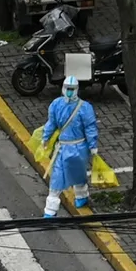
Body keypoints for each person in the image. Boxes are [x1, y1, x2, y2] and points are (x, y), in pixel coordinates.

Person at [41, 75, 99, 218]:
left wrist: (93, 145)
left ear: (77, 90)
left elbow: (90, 128)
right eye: (67, 88)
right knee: (58, 178)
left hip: (75, 147)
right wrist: (45, 137)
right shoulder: (59, 105)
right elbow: (51, 123)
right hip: (70, 148)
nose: (69, 92)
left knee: (76, 175)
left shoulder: (83, 108)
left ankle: (77, 198)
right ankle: (52, 209)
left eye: (71, 89)